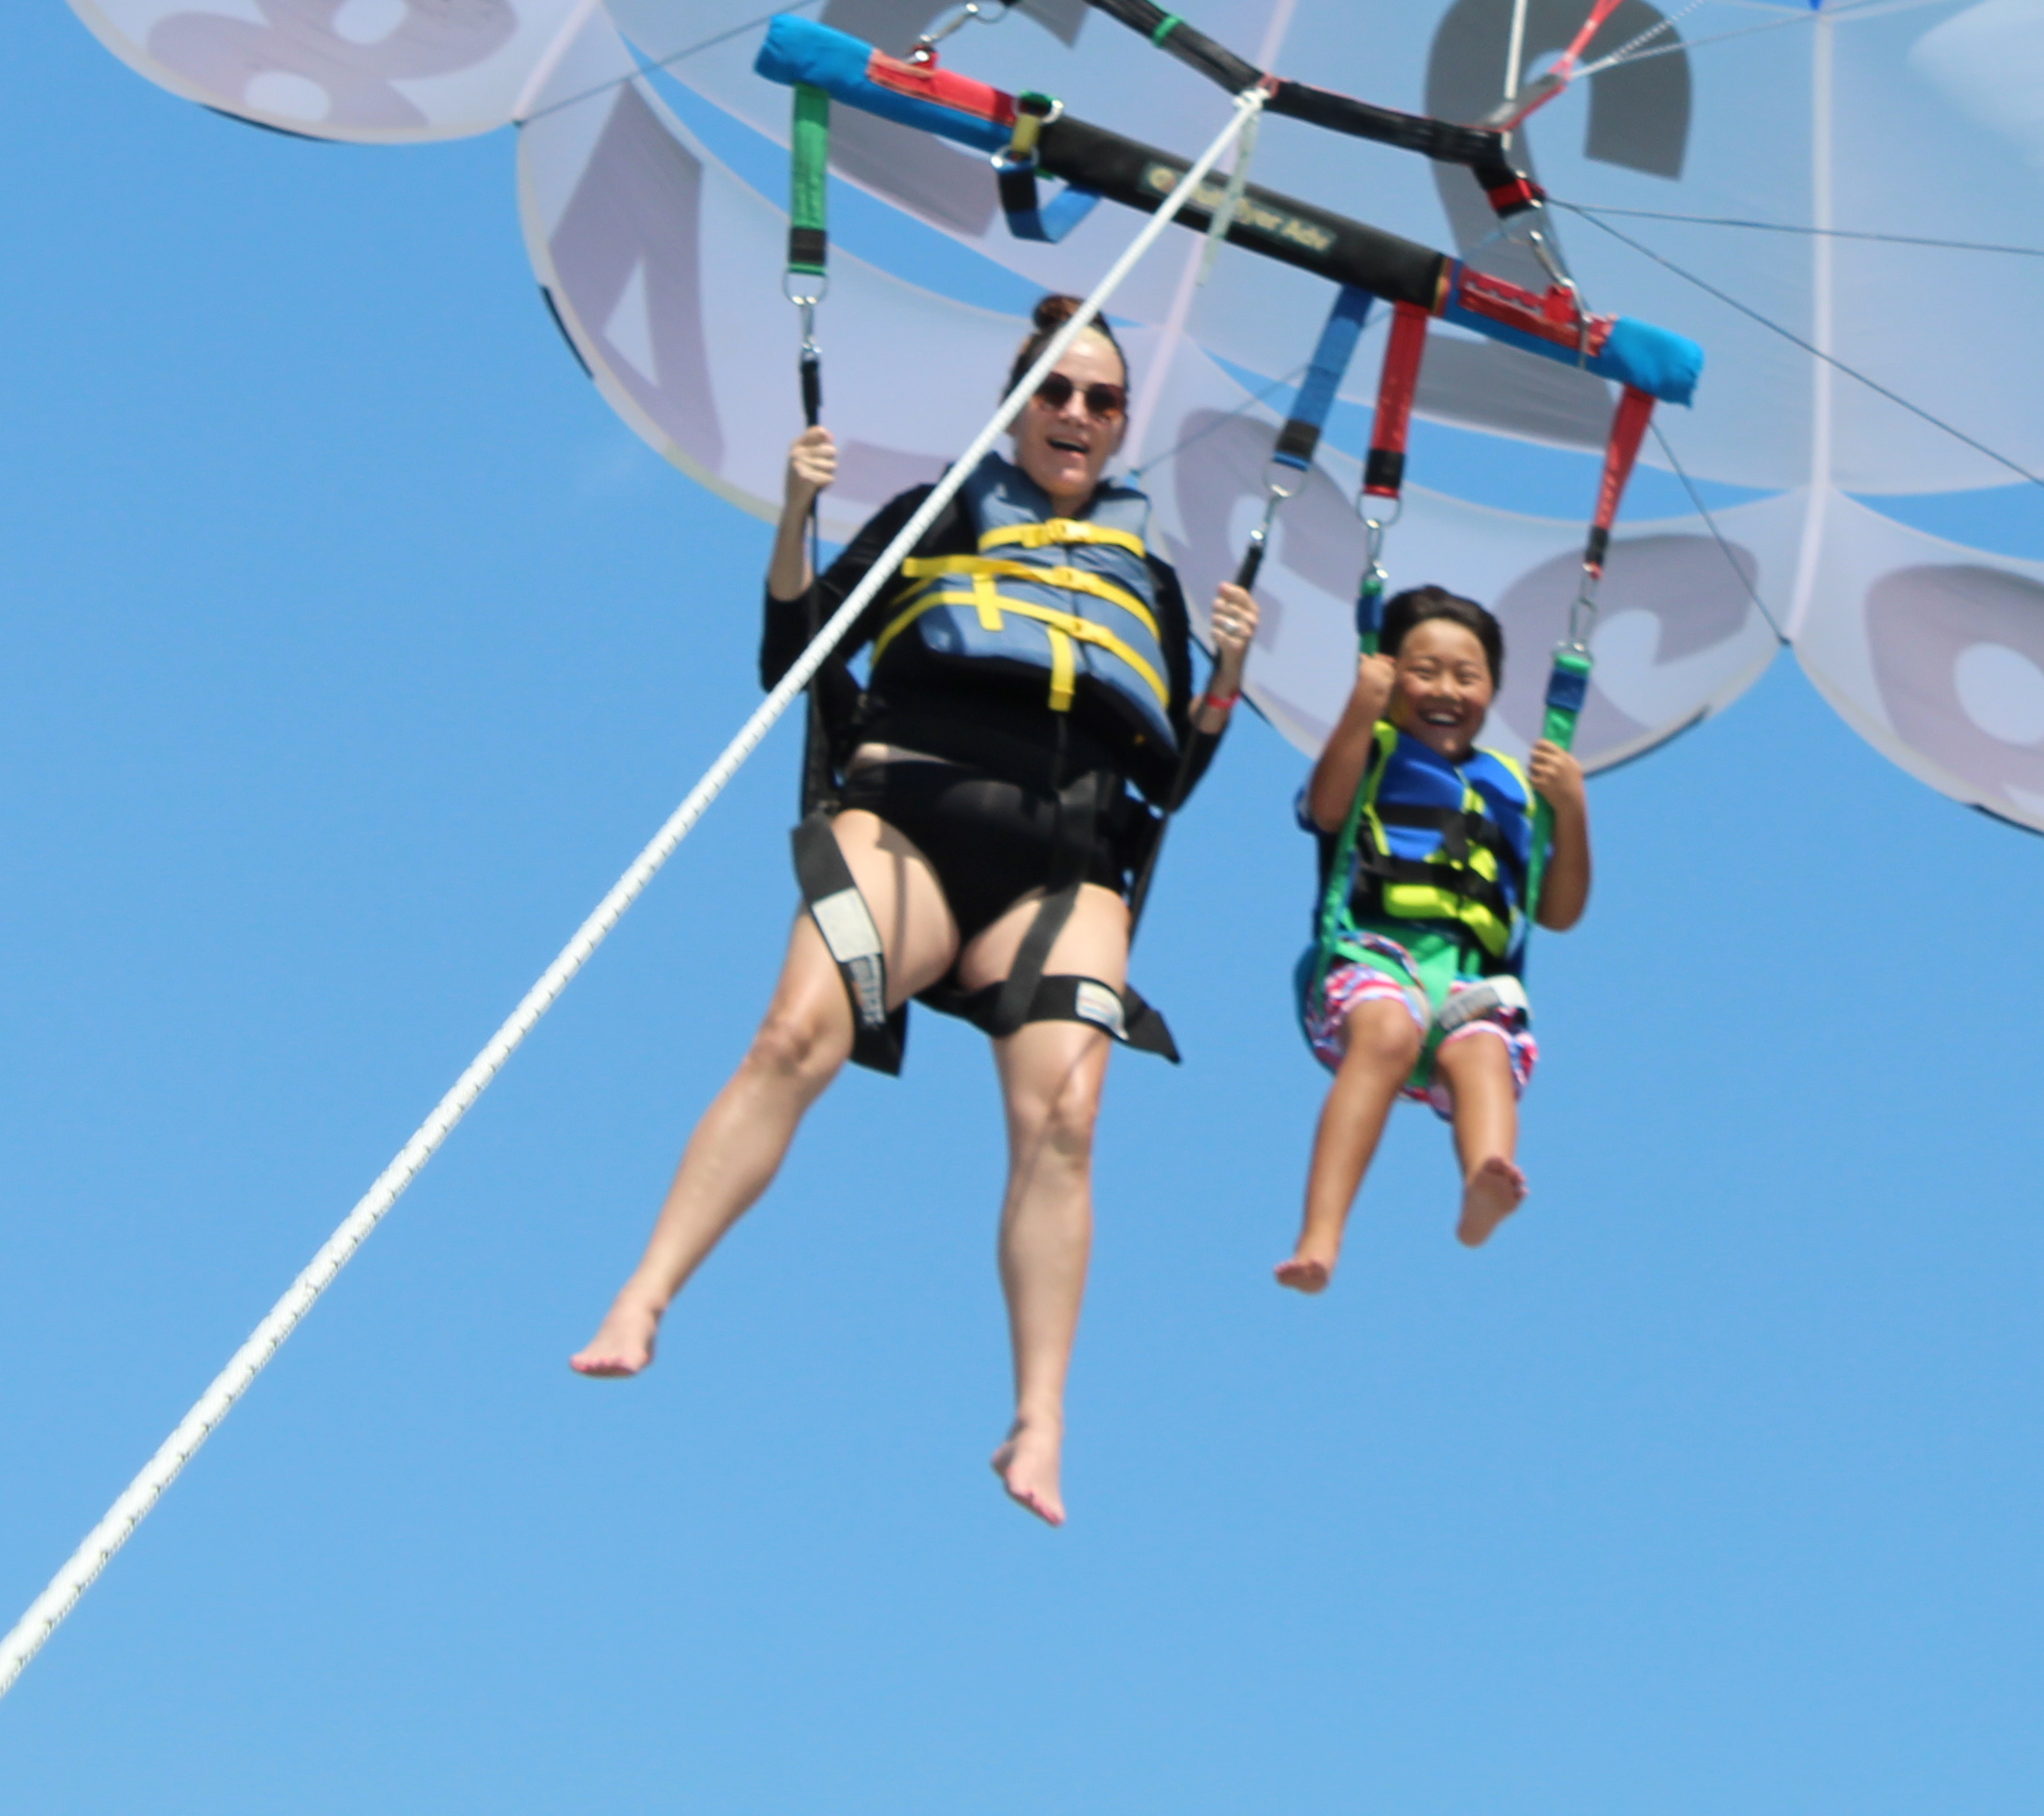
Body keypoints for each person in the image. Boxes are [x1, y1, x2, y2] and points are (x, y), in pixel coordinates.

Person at [570, 293, 1259, 1528]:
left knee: (1065, 1121)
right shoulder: (936, 515)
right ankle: (646, 1293)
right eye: (1055, 388)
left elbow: (1171, 784)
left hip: (1063, 866)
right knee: (795, 1038)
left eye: (1103, 400)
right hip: (911, 825)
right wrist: (792, 514)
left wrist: (1228, 685)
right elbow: (793, 654)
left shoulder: (1149, 580)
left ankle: (1039, 1419)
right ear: (1018, 401)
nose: (1077, 415)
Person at [1273, 584, 1593, 1293]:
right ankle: (1320, 1236)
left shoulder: (1511, 786)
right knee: (1387, 1031)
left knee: (1481, 1049)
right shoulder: (1374, 749)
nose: (1445, 689)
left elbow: (1559, 910)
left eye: (1467, 675)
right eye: (1424, 671)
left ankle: (1485, 1181)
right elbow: (1327, 809)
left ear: (1492, 690)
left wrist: (1571, 811)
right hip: (1369, 957)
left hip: (1466, 978)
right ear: (1389, 672)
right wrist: (1361, 707)